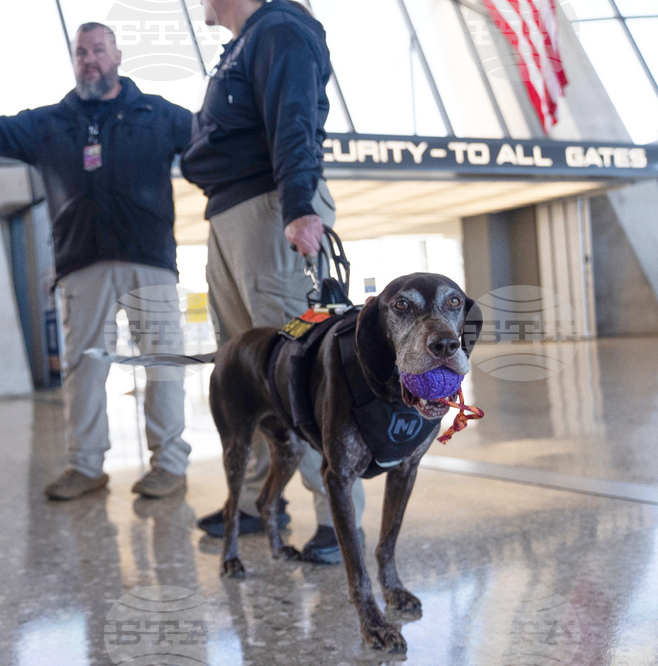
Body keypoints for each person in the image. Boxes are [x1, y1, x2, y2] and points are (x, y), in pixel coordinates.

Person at [0, 24, 194, 501]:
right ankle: (87, 467)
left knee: (163, 363)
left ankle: (170, 465)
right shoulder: (51, 123)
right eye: (81, 52)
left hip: (149, 260)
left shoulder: (158, 115)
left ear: (117, 55)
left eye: (99, 50)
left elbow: (211, 141)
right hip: (81, 263)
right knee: (84, 369)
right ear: (74, 61)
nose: (90, 59)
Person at [180, 0, 365, 564]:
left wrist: (299, 206)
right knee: (248, 374)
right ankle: (267, 502)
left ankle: (340, 520)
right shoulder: (242, 44)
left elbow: (294, 119)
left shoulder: (280, 28)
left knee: (300, 374)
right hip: (235, 214)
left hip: (271, 213)